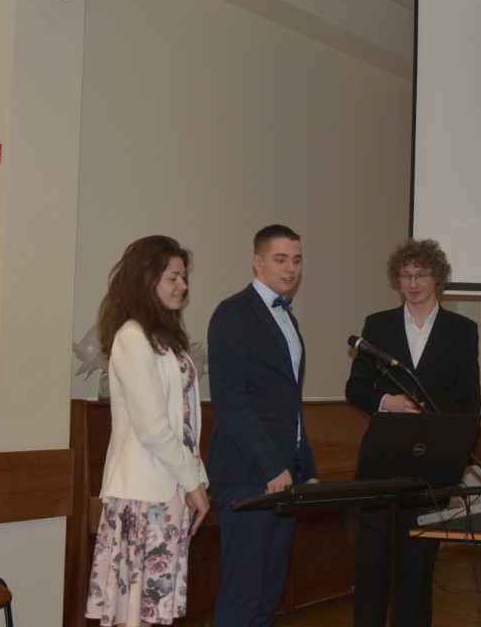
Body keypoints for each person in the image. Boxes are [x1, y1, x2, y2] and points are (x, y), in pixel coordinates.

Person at [345, 238, 481, 627]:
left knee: (416, 575)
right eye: (405, 276)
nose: (413, 283)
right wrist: (385, 402)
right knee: (371, 572)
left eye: (421, 274)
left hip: (431, 471)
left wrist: (451, 456)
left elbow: (469, 403)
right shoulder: (377, 325)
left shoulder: (462, 330)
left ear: (437, 277)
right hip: (381, 465)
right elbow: (355, 388)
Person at [86, 235, 210, 627]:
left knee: (154, 608)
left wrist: (196, 477)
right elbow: (153, 427)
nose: (183, 285)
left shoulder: (163, 337)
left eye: (184, 277)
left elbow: (184, 421)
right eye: (173, 278)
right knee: (136, 610)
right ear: (146, 280)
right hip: (145, 490)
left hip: (171, 482)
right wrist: (192, 481)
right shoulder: (132, 337)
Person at [206, 224, 318, 627]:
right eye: (280, 259)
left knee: (268, 596)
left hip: (285, 477)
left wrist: (306, 469)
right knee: (244, 596)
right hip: (247, 475)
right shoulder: (233, 313)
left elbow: (290, 406)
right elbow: (230, 401)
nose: (291, 269)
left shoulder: (289, 320)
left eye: (297, 260)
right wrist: (272, 466)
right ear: (257, 262)